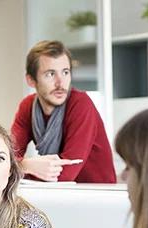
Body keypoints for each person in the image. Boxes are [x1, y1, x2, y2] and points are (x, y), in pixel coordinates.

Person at [11, 40, 115, 183]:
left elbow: (65, 174)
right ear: (31, 80)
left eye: (65, 72)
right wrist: (26, 165)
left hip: (97, 195)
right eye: (50, 74)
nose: (60, 83)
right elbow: (6, 159)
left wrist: (21, 167)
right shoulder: (27, 106)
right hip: (59, 194)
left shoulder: (80, 104)